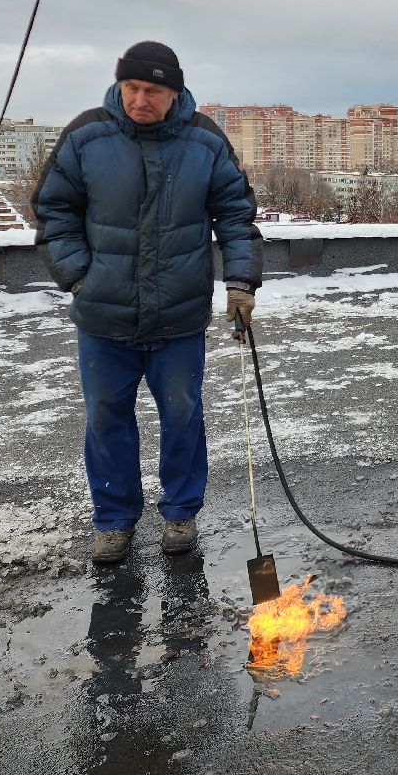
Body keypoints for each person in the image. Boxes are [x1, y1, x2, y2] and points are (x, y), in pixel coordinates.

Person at [33, 41, 261, 565]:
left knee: (182, 415)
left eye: (153, 91)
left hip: (178, 316)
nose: (140, 100)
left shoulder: (204, 141)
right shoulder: (87, 136)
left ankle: (180, 512)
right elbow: (53, 210)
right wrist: (80, 278)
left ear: (175, 93)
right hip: (103, 317)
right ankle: (113, 520)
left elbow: (235, 215)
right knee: (106, 419)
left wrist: (241, 282)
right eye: (131, 87)